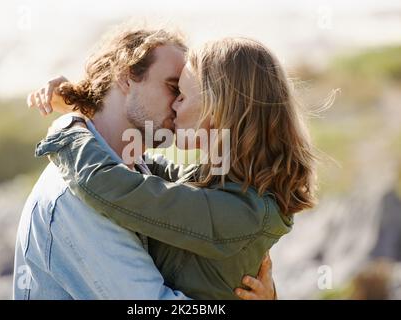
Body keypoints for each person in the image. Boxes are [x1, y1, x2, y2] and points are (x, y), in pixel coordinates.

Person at [32, 35, 318, 299]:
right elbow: (154, 170)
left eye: (181, 95)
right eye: (172, 90)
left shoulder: (238, 210)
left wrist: (68, 128)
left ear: (217, 109)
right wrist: (83, 106)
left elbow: (111, 184)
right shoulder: (227, 181)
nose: (174, 108)